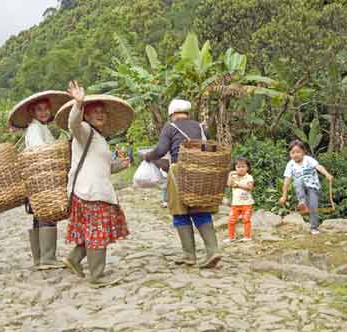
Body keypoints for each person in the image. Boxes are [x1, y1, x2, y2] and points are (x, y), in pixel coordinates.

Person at [55, 81, 134, 288]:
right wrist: (78, 104)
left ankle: (73, 260)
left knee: (91, 231)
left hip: (94, 191)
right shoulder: (84, 132)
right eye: (94, 112)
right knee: (97, 231)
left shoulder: (99, 138)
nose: (99, 114)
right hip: (89, 192)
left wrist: (120, 165)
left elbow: (102, 166)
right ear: (87, 116)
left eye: (102, 112)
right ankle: (96, 276)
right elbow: (73, 123)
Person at [144, 99, 221, 268]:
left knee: (180, 213)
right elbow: (211, 146)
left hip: (180, 171)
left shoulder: (170, 127)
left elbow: (161, 150)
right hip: (201, 171)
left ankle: (189, 255)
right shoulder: (201, 127)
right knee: (201, 210)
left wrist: (148, 156)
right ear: (187, 113)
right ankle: (213, 250)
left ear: (172, 114)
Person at [8, 91, 72, 270]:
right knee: (47, 214)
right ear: (33, 113)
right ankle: (48, 258)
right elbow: (40, 152)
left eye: (45, 109)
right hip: (42, 178)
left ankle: (39, 258)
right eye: (39, 109)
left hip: (38, 179)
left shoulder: (40, 128)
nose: (43, 112)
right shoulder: (35, 129)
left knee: (39, 215)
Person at [279, 140, 333, 235]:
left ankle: (314, 228)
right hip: (300, 188)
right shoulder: (290, 164)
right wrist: (284, 196)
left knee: (313, 206)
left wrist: (327, 174)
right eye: (293, 152)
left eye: (298, 152)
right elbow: (286, 181)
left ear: (303, 152)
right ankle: (302, 201)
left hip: (313, 187)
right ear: (290, 154)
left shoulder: (308, 159)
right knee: (299, 180)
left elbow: (318, 167)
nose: (296, 154)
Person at [224, 156, 254, 243]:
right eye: (238, 167)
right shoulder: (234, 176)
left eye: (243, 166)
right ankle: (231, 237)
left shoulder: (249, 177)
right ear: (235, 168)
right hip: (235, 204)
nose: (241, 169)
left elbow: (250, 187)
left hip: (247, 203)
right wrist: (230, 174)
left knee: (246, 219)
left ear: (247, 168)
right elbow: (229, 184)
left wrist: (237, 185)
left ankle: (247, 236)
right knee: (231, 220)